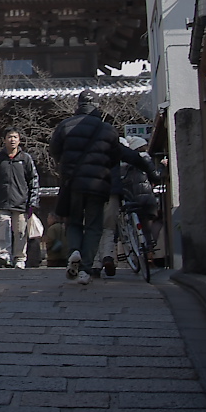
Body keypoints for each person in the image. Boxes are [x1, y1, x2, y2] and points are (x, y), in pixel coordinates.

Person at [49, 90, 153, 286]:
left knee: (73, 223)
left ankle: (74, 252)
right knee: (94, 226)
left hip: (72, 183)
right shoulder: (107, 130)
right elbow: (120, 156)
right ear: (97, 106)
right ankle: (86, 269)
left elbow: (54, 150)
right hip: (98, 184)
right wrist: (151, 171)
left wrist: (65, 166)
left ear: (78, 106)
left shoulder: (65, 126)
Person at [0, 126, 39, 268]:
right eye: (9, 137)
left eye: (15, 137)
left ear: (19, 140)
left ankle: (20, 258)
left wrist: (33, 201)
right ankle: (4, 254)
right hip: (2, 200)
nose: (12, 140)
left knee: (20, 230)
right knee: (4, 225)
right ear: (4, 140)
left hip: (21, 201)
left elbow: (34, 180)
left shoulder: (25, 158)